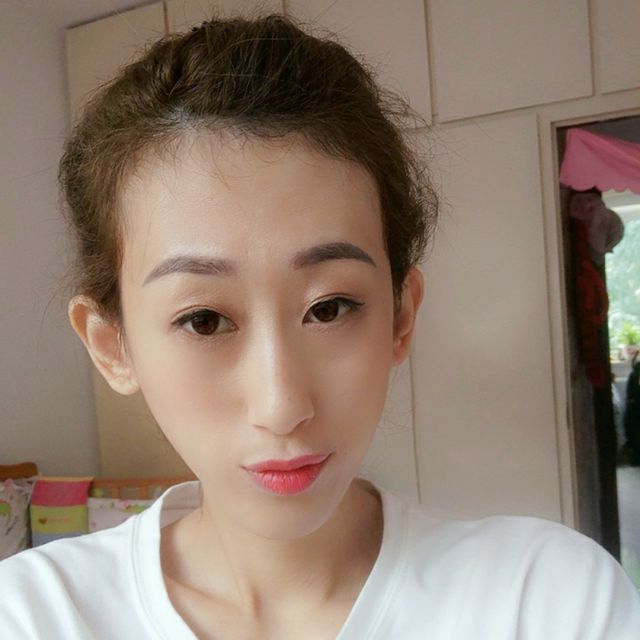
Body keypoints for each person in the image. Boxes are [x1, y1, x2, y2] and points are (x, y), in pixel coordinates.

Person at [1, 12, 639, 640]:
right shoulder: (33, 615)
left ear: (401, 315)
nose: (282, 407)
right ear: (112, 346)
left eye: (329, 308)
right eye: (204, 319)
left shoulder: (546, 600)